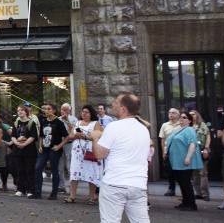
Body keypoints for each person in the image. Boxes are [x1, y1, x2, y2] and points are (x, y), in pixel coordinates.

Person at [90, 92, 151, 223]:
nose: (112, 104)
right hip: (138, 185)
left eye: (116, 102)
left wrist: (95, 138)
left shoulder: (113, 126)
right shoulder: (144, 129)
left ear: (123, 109)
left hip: (114, 184)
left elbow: (100, 155)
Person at [167, 111, 204, 211]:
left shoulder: (189, 130)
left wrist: (188, 157)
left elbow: (192, 144)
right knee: (182, 182)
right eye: (181, 117)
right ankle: (185, 202)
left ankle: (191, 204)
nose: (181, 119)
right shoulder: (178, 130)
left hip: (184, 161)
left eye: (184, 118)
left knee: (186, 182)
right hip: (177, 161)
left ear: (189, 121)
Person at [67, 105, 102, 204]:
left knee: (91, 173)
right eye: (83, 112)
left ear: (91, 114)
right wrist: (75, 135)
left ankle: (91, 197)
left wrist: (85, 136)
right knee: (74, 172)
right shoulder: (77, 123)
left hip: (89, 150)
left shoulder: (95, 123)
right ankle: (72, 196)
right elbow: (70, 136)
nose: (84, 114)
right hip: (77, 152)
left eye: (86, 112)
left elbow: (97, 137)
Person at [34, 103, 69, 200]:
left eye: (49, 109)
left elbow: (67, 137)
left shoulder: (59, 122)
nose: (46, 111)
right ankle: (37, 192)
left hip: (54, 149)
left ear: (54, 111)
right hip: (44, 149)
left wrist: (59, 146)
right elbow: (41, 135)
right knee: (38, 168)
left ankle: (54, 193)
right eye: (45, 109)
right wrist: (40, 146)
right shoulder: (43, 121)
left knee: (54, 170)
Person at [10, 104, 38, 197]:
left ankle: (30, 190)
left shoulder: (31, 123)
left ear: (26, 112)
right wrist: (17, 143)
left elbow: (33, 136)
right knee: (19, 170)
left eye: (22, 110)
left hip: (29, 151)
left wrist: (24, 144)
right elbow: (13, 135)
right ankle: (20, 189)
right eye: (18, 111)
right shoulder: (16, 123)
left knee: (29, 170)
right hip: (17, 150)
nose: (20, 112)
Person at [159, 108, 182, 196]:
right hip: (168, 151)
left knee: (180, 171)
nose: (171, 114)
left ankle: (184, 189)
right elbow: (162, 139)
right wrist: (163, 152)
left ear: (178, 115)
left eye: (173, 113)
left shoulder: (181, 125)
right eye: (169, 113)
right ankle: (171, 189)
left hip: (180, 151)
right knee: (170, 171)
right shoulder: (164, 125)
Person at [190, 110, 211, 201]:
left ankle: (205, 194)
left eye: (193, 114)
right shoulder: (188, 126)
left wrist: (206, 148)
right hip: (192, 152)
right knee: (194, 174)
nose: (192, 116)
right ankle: (198, 193)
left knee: (203, 173)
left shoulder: (203, 125)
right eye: (190, 115)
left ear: (197, 115)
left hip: (201, 150)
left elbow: (208, 137)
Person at [59, 103, 78, 193]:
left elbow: (74, 132)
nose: (63, 111)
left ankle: (71, 186)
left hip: (69, 144)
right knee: (60, 166)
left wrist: (67, 120)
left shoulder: (74, 119)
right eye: (62, 109)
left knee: (69, 165)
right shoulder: (58, 119)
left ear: (69, 111)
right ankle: (61, 186)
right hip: (60, 144)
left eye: (66, 110)